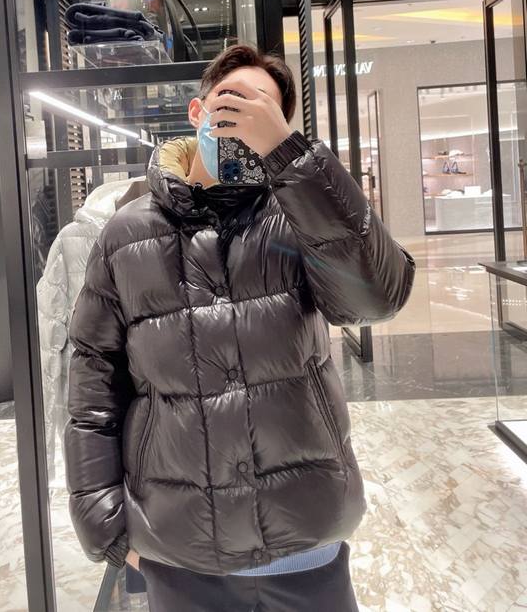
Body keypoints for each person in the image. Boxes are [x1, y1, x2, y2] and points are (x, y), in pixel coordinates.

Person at [64, 44, 415, 611]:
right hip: (181, 552)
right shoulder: (126, 234)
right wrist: (103, 525)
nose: (240, 119)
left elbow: (377, 298)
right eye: (230, 101)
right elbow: (93, 387)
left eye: (262, 109)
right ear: (197, 112)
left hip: (305, 537)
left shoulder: (300, 218)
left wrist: (291, 158)